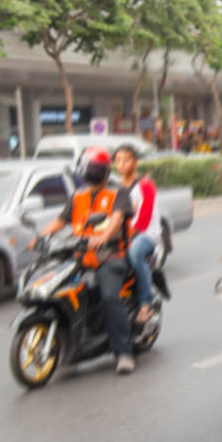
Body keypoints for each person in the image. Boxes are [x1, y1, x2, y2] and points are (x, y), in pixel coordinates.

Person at [29, 147, 137, 375]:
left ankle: (123, 352)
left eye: (96, 168)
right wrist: (41, 237)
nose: (92, 172)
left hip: (111, 256)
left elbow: (117, 219)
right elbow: (61, 221)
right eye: (89, 168)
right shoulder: (78, 195)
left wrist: (103, 238)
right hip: (80, 257)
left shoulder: (119, 193)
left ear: (106, 171)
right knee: (60, 291)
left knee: (109, 297)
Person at [114, 144, 161, 324]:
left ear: (135, 162)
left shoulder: (145, 185)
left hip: (146, 235)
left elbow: (144, 218)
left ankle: (146, 304)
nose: (122, 165)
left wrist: (126, 235)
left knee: (134, 253)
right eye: (118, 161)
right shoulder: (116, 187)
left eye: (126, 160)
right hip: (122, 235)